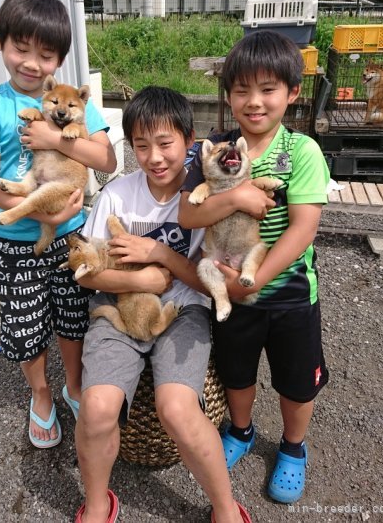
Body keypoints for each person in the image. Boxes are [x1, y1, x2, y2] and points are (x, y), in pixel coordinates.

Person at [74, 86, 252, 523]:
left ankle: (225, 508)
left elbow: (211, 283)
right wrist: (145, 279)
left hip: (184, 311)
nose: (154, 157)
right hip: (118, 308)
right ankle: (98, 503)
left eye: (166, 143)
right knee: (97, 408)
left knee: (177, 407)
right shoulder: (118, 195)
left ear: (190, 141)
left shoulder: (206, 200)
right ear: (130, 146)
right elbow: (88, 270)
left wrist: (161, 258)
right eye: (141, 145)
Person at [0, 0, 117, 448]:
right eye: (20, 49)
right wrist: (43, 206)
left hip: (70, 235)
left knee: (72, 317)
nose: (31, 62)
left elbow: (105, 159)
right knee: (26, 326)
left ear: (59, 60)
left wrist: (53, 137)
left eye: (45, 54)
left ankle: (72, 384)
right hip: (12, 242)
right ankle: (41, 394)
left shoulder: (73, 104)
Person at [179, 30, 330, 505]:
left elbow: (302, 229)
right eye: (242, 90)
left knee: (294, 377)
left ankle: (292, 446)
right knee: (236, 371)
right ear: (228, 95)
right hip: (229, 285)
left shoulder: (302, 151)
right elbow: (188, 214)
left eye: (268, 90)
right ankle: (241, 431)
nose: (254, 101)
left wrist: (256, 280)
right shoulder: (213, 149)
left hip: (288, 296)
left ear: (292, 93)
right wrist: (237, 196)